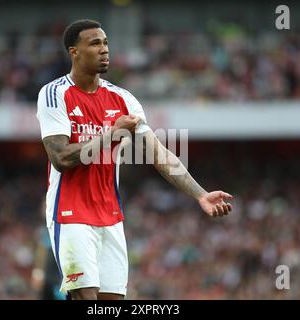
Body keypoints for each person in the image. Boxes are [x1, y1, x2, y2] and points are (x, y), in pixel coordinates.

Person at [36, 19, 233, 300]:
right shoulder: (55, 93)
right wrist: (111, 134)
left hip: (111, 217)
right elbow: (60, 157)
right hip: (70, 215)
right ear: (74, 52)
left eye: (105, 42)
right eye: (94, 43)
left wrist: (200, 194)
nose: (104, 49)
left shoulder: (123, 99)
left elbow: (159, 154)